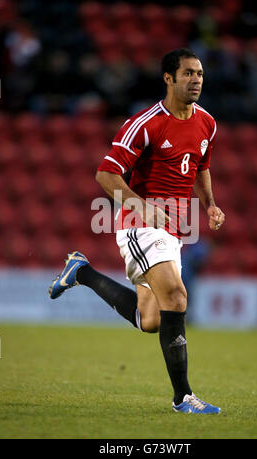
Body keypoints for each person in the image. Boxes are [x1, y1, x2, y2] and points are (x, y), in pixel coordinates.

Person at [49, 48, 225, 414]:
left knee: (152, 319)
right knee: (176, 297)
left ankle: (81, 272)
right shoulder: (145, 123)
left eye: (200, 74)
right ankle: (183, 398)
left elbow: (201, 164)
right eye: (188, 73)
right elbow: (105, 174)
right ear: (169, 78)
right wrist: (141, 205)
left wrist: (209, 204)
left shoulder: (207, 122)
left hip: (174, 228)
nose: (196, 80)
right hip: (139, 223)